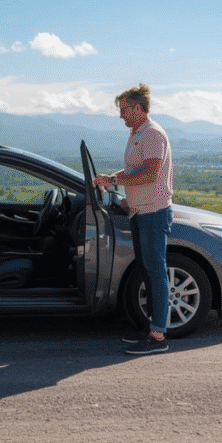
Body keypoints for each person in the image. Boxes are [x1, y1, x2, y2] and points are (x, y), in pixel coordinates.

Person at [93, 84, 174, 355]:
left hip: (153, 211)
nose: (121, 116)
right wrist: (110, 179)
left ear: (138, 108)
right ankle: (151, 327)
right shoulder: (136, 133)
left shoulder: (152, 134)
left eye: (124, 109)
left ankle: (158, 336)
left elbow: (150, 174)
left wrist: (116, 180)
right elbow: (132, 170)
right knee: (147, 272)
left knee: (156, 273)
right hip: (140, 212)